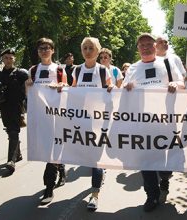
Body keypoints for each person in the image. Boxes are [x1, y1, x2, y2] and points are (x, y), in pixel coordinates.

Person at [123, 33, 184, 212]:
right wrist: (127, 88)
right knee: (145, 160)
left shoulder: (167, 63)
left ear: (155, 47)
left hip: (166, 121)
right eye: (142, 45)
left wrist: (176, 85)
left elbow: (182, 81)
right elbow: (124, 91)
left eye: (149, 44)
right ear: (138, 48)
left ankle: (165, 177)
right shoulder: (133, 68)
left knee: (166, 158)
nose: (146, 47)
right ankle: (152, 195)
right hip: (143, 122)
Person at [71, 37, 114, 211]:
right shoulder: (76, 70)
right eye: (85, 48)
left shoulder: (103, 71)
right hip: (82, 121)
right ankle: (99, 174)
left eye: (91, 48)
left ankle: (95, 194)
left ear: (97, 51)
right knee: (89, 157)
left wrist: (111, 89)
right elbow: (71, 91)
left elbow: (111, 91)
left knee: (96, 158)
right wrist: (60, 88)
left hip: (99, 121)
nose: (87, 51)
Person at [25, 38, 68, 205]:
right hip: (40, 118)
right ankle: (62, 168)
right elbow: (29, 94)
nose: (44, 50)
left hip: (56, 117)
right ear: (38, 51)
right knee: (47, 149)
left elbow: (66, 89)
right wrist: (27, 85)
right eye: (41, 48)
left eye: (47, 48)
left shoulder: (58, 69)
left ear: (52, 50)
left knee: (53, 149)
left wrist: (61, 85)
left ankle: (48, 188)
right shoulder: (33, 70)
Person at [0, 48, 28, 173]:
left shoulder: (21, 73)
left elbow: (31, 86)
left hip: (16, 107)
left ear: (14, 59)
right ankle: (17, 154)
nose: (8, 60)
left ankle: (11, 161)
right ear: (2, 59)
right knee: (10, 131)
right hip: (3, 107)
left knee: (14, 131)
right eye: (6, 57)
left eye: (11, 58)